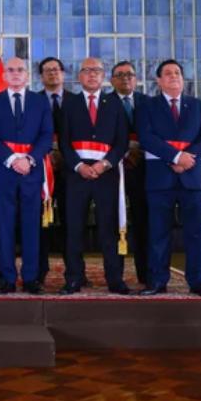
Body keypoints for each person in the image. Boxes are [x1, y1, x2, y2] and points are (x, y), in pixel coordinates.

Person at [136, 59, 201, 297]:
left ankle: (197, 280)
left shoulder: (198, 105)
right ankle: (157, 280)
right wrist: (176, 157)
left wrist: (188, 158)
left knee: (195, 232)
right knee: (158, 232)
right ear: (159, 80)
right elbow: (146, 137)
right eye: (168, 73)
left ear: (183, 78)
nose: (173, 76)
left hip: (191, 176)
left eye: (177, 73)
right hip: (160, 177)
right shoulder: (147, 106)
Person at [0, 57, 54, 294]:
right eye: (10, 70)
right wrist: (13, 160)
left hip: (32, 172)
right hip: (3, 172)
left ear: (27, 75)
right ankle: (7, 278)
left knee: (31, 226)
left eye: (20, 69)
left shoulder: (40, 102)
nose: (15, 73)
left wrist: (29, 159)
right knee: (4, 226)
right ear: (4, 75)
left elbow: (46, 135)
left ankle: (31, 278)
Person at [58, 58, 130, 295]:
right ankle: (74, 278)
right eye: (87, 71)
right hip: (76, 175)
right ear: (79, 76)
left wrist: (105, 164)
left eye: (96, 71)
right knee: (74, 228)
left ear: (103, 76)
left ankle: (115, 279)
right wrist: (79, 166)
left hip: (106, 175)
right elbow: (63, 141)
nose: (91, 74)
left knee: (109, 228)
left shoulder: (115, 104)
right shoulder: (69, 104)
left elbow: (122, 141)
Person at [111, 60, 150, 287]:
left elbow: (155, 131)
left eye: (130, 74)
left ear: (136, 79)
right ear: (112, 80)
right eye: (120, 74)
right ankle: (115, 276)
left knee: (144, 223)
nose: (125, 78)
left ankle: (146, 274)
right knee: (114, 223)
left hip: (143, 170)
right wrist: (124, 152)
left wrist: (139, 151)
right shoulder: (105, 102)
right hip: (113, 170)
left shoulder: (148, 102)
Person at [36, 56, 73, 285]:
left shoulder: (76, 101)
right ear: (41, 76)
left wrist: (64, 156)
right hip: (41, 169)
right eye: (47, 70)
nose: (52, 73)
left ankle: (74, 273)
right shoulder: (33, 101)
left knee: (71, 222)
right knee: (40, 222)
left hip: (72, 170)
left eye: (56, 69)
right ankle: (39, 271)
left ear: (63, 74)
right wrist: (45, 155)